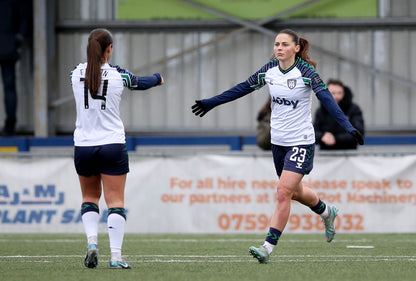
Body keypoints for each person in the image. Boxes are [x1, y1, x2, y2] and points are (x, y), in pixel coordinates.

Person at [191, 29, 363, 264]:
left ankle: (267, 247)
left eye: (284, 44)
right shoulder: (269, 71)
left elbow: (327, 100)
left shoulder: (306, 73)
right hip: (278, 142)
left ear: (296, 48)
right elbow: (242, 88)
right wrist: (211, 102)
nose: (279, 48)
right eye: (276, 44)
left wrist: (347, 126)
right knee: (295, 191)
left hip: (301, 140)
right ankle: (326, 211)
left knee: (283, 192)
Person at [70, 28, 164, 269]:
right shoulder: (118, 76)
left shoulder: (74, 74)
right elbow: (141, 83)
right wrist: (158, 77)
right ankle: (115, 256)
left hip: (83, 146)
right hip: (111, 144)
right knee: (115, 202)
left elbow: (88, 74)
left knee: (89, 198)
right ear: (109, 49)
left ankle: (92, 244)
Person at [0, 0, 31, 136]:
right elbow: (24, 18)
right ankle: (10, 126)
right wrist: (18, 38)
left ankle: (10, 125)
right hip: (8, 46)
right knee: (9, 87)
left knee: (9, 87)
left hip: (8, 45)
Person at [314, 79, 364, 150]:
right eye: (333, 93)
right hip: (326, 155)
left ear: (344, 93)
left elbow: (358, 133)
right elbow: (313, 132)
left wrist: (336, 138)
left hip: (349, 154)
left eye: (339, 93)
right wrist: (322, 136)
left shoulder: (353, 110)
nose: (336, 96)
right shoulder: (321, 111)